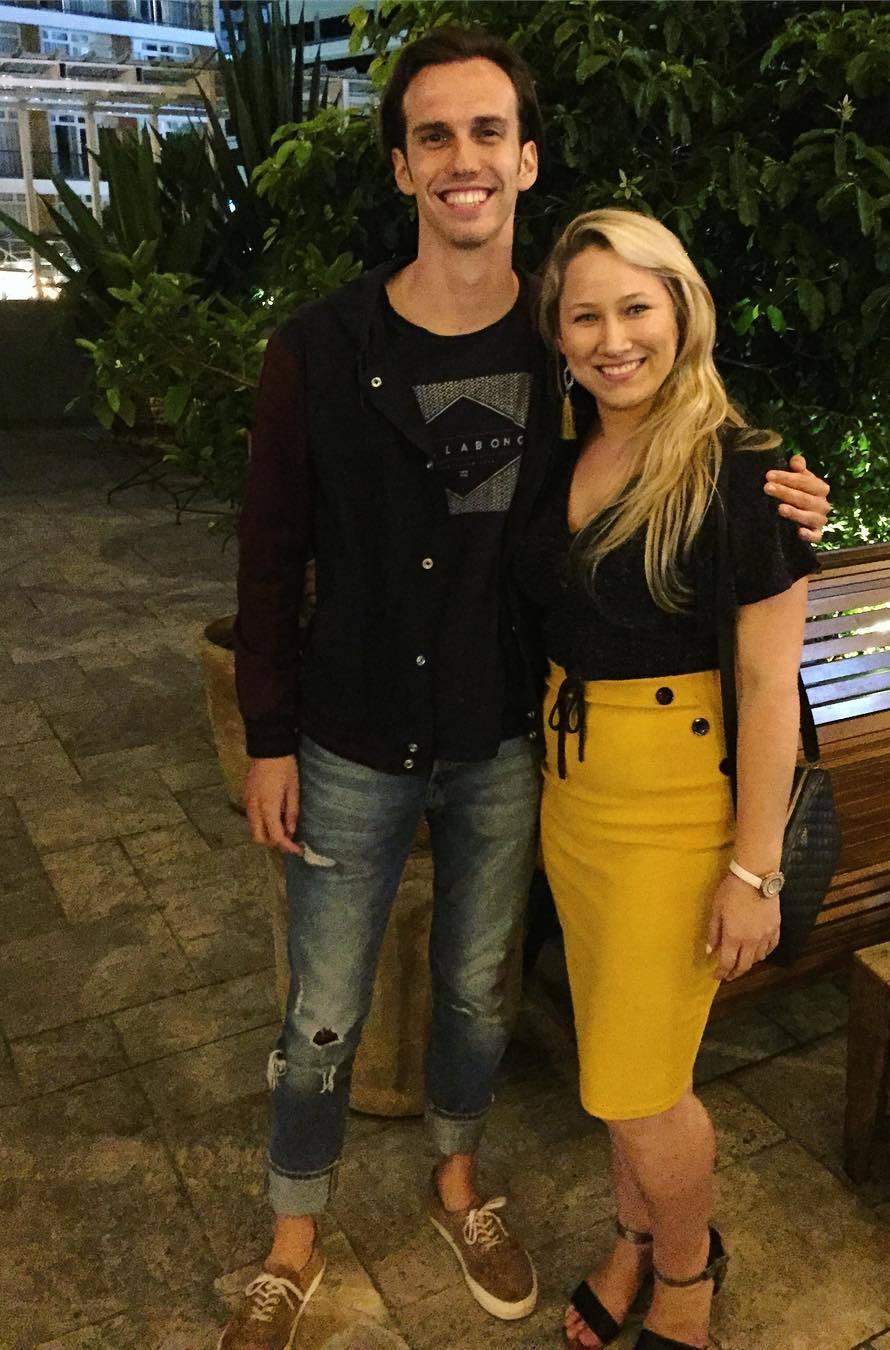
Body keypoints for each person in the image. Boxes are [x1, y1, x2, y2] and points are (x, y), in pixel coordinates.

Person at [223, 26, 832, 1350]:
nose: (464, 157)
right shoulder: (322, 348)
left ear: (527, 158)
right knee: (321, 1011)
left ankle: (470, 1185)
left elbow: (697, 461)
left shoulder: (573, 358)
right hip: (360, 738)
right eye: (434, 134)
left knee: (479, 995)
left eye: (488, 131)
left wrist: (778, 496)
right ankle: (292, 1238)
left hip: (513, 743)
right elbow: (267, 557)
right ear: (402, 166)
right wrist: (269, 734)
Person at [512, 208, 818, 1350]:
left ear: (683, 311)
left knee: (636, 1086)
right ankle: (634, 1238)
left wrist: (754, 870)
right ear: (558, 334)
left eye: (636, 307)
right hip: (574, 801)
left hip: (680, 816)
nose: (613, 339)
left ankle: (688, 1272)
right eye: (585, 316)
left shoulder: (747, 471)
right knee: (617, 1051)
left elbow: (769, 684)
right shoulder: (564, 455)